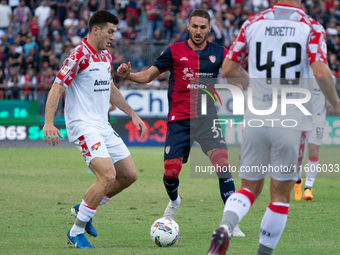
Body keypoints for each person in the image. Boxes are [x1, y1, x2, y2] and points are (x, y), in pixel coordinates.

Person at [207, 0, 340, 254]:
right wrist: (335, 102)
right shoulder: (310, 26)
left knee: (249, 188)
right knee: (280, 196)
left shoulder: (253, 24)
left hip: (256, 116)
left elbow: (228, 69)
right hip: (291, 119)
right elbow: (321, 72)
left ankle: (225, 226)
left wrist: (257, 86)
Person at [117, 9, 246, 237]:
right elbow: (148, 76)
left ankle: (231, 223)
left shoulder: (219, 53)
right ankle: (174, 202)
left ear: (209, 29)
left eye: (203, 27)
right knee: (171, 172)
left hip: (207, 119)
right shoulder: (174, 51)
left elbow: (237, 75)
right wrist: (128, 76)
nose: (198, 31)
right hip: (180, 120)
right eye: (194, 26)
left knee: (222, 165)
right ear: (188, 26)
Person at [43, 10, 147, 249]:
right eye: (110, 31)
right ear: (96, 30)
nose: (113, 36)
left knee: (128, 175)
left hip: (103, 125)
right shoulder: (78, 55)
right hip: (83, 126)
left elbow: (109, 88)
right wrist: (49, 123)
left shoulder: (105, 56)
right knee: (108, 176)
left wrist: (132, 114)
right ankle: (75, 232)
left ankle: (84, 208)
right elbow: (57, 88)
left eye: (115, 32)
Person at [294, 80, 328, 201]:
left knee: (313, 151)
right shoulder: (301, 74)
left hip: (318, 118)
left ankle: (308, 188)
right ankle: (298, 180)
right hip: (301, 117)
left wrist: (330, 102)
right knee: (298, 152)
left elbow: (329, 92)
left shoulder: (324, 75)